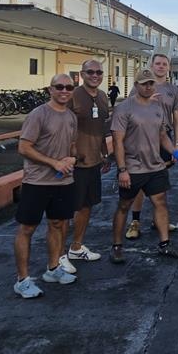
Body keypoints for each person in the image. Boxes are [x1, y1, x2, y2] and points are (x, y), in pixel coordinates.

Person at [110, 68, 178, 263]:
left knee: (160, 202)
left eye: (151, 83)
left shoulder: (157, 108)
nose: (148, 86)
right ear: (136, 85)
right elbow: (117, 141)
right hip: (132, 167)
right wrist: (122, 170)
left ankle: (165, 244)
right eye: (144, 83)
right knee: (124, 206)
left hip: (155, 166)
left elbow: (163, 136)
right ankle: (117, 246)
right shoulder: (124, 109)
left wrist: (174, 151)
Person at [13, 74, 78, 299]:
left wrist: (72, 159)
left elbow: (71, 146)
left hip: (62, 182)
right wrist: (54, 163)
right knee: (27, 228)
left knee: (58, 224)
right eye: (59, 87)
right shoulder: (38, 115)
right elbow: (24, 147)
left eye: (69, 87)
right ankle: (22, 280)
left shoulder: (71, 117)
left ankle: (53, 269)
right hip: (36, 181)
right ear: (50, 89)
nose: (64, 90)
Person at [57, 60, 110, 275]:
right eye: (90, 72)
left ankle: (76, 247)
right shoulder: (73, 96)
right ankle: (59, 256)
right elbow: (59, 125)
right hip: (73, 164)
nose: (95, 75)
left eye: (99, 72)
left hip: (93, 162)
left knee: (87, 206)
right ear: (82, 74)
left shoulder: (103, 97)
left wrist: (105, 154)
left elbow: (102, 128)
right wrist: (65, 155)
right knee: (65, 212)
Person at [126, 53, 178, 240]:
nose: (160, 66)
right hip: (141, 139)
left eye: (164, 64)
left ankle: (158, 219)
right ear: (151, 65)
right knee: (140, 183)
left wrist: (176, 144)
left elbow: (177, 118)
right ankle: (135, 221)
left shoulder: (173, 90)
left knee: (160, 181)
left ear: (168, 67)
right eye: (157, 63)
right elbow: (128, 113)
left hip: (163, 138)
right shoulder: (140, 87)